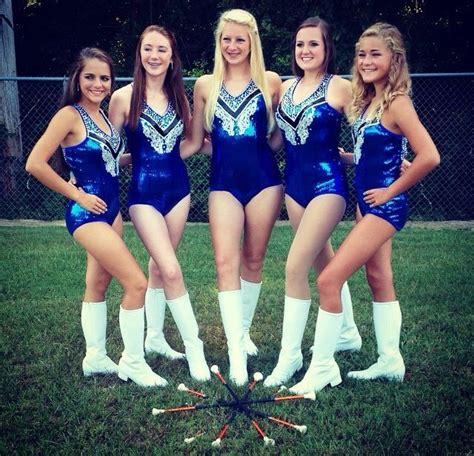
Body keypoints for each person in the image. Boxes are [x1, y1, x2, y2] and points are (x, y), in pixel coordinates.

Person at [289, 23, 440, 394]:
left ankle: (322, 368)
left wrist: (391, 191)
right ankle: (390, 360)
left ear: (394, 59)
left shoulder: (397, 102)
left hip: (383, 208)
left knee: (327, 279)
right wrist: (345, 157)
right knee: (378, 277)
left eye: (376, 53)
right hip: (366, 204)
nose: (367, 60)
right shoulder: (367, 100)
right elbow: (373, 153)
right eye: (361, 54)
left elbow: (430, 156)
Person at [25, 47, 167, 387]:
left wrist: (147, 154)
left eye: (104, 78)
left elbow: (107, 161)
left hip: (111, 212)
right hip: (85, 214)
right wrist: (77, 195)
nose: (98, 84)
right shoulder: (69, 115)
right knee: (136, 283)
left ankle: (95, 357)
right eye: (90, 76)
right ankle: (133, 362)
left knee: (98, 283)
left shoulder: (103, 116)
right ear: (77, 78)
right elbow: (35, 163)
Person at [181, 9, 283, 385]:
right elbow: (196, 141)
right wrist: (148, 157)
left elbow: (278, 138)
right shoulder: (205, 85)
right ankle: (236, 357)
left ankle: (242, 333)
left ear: (252, 41)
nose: (233, 46)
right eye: (226, 39)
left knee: (253, 261)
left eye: (240, 39)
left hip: (264, 183)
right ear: (218, 42)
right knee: (226, 262)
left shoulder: (271, 82)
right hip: (223, 184)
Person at [263, 17, 361, 388]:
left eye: (313, 44)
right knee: (325, 260)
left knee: (293, 267)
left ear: (326, 49)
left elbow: (368, 127)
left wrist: (355, 159)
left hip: (327, 186)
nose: (305, 51)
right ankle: (348, 332)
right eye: (300, 44)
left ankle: (290, 357)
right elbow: (276, 142)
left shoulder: (341, 87)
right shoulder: (285, 89)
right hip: (295, 188)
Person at [109, 25, 210, 382]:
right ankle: (194, 347)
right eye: (148, 48)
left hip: (178, 191)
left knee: (157, 268)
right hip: (143, 196)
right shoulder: (123, 98)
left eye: (161, 50)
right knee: (170, 269)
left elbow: (191, 143)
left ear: (171, 56)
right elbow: (109, 148)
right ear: (139, 53)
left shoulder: (180, 96)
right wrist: (82, 172)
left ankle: (154, 338)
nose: (154, 56)